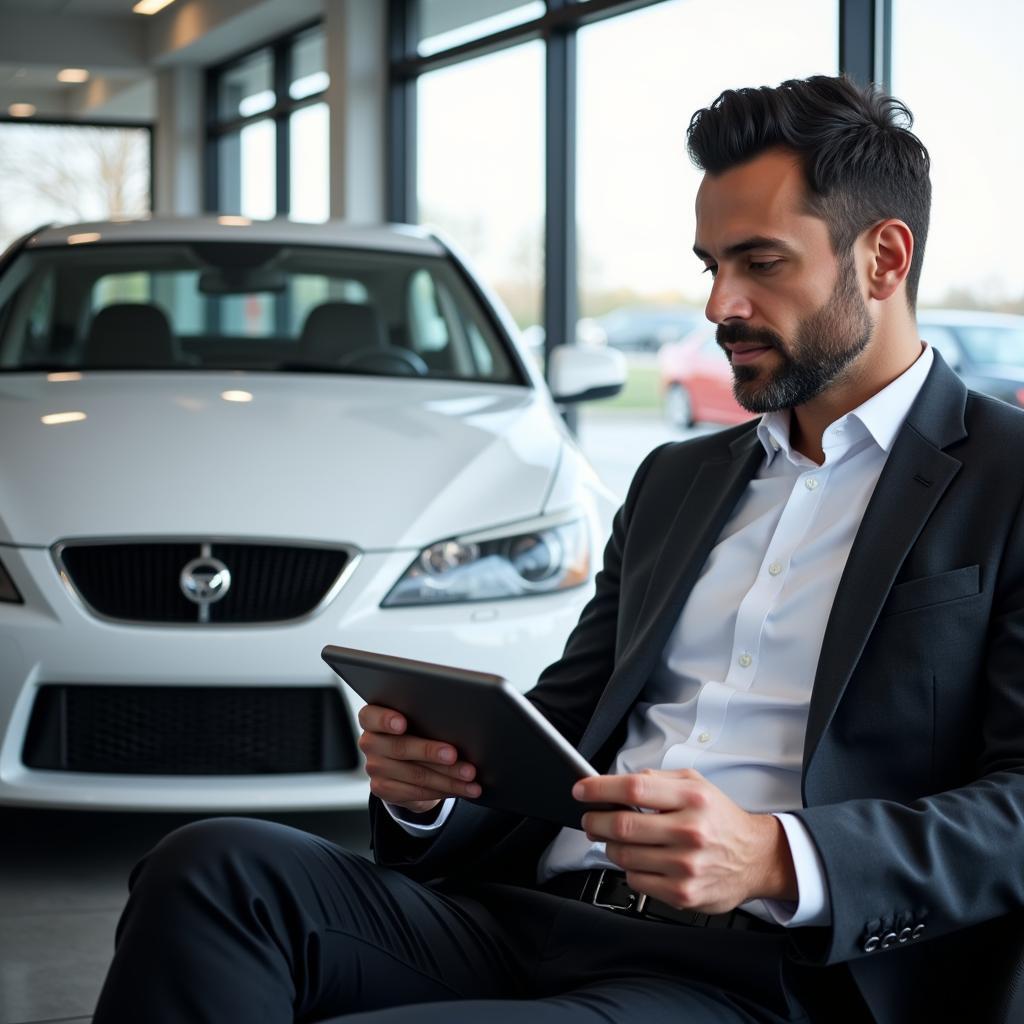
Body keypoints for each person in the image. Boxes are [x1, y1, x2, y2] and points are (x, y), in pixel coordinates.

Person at [92, 75, 1024, 1024]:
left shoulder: (1007, 479)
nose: (719, 305)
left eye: (760, 263)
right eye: (710, 265)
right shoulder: (677, 479)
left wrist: (777, 856)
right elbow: (568, 722)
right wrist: (439, 794)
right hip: (526, 913)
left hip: (752, 970)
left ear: (884, 258)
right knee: (211, 870)